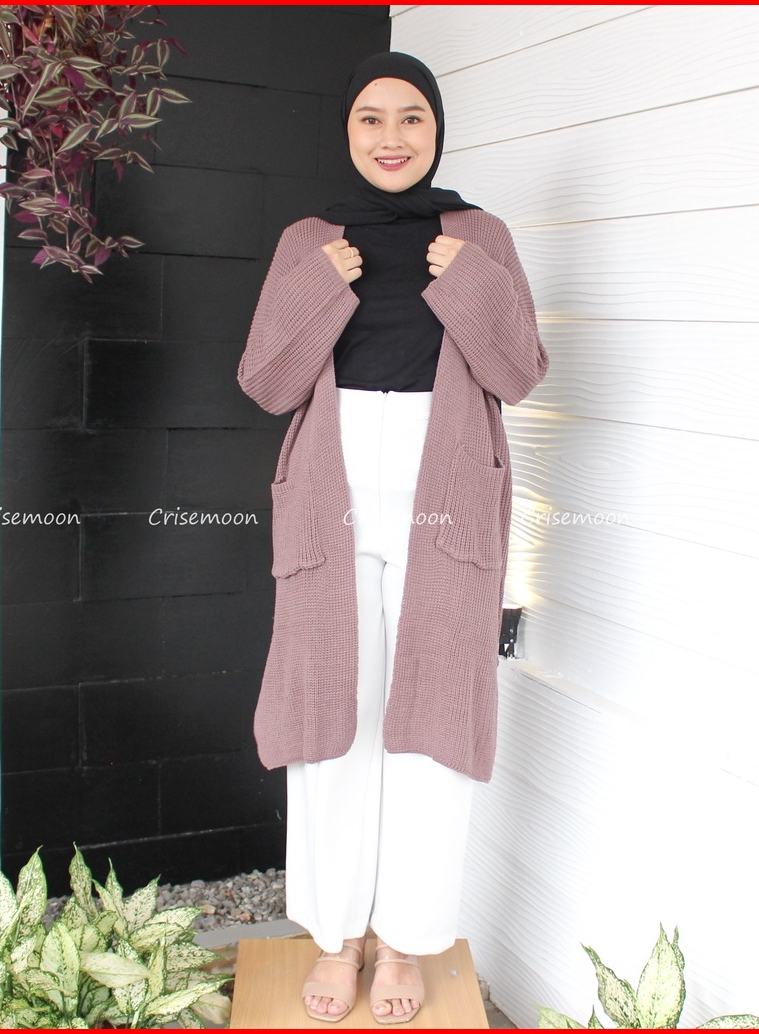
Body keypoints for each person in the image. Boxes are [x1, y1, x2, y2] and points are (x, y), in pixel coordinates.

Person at [237, 51, 548, 1025]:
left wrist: (472, 286)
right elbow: (267, 382)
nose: (390, 136)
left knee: (433, 719)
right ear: (347, 130)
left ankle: (407, 938)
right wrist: (318, 289)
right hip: (329, 490)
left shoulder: (479, 235)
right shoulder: (309, 240)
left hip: (446, 486)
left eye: (411, 116)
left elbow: (518, 372)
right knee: (331, 714)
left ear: (436, 129)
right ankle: (335, 937)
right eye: (371, 117)